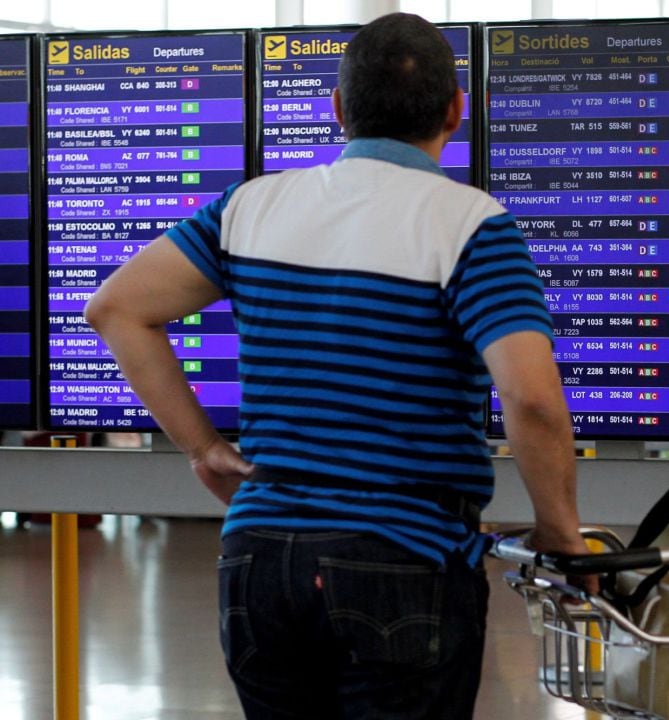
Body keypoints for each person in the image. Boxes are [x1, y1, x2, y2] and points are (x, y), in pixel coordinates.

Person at [85, 13, 594, 719]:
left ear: (338, 109)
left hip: (256, 560)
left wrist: (203, 448)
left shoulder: (249, 207)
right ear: (456, 109)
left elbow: (116, 309)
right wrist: (561, 536)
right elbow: (532, 398)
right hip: (401, 557)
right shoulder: (472, 227)